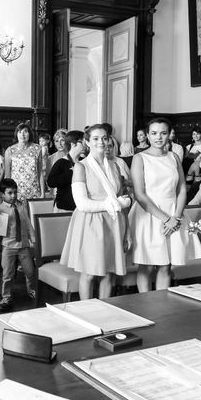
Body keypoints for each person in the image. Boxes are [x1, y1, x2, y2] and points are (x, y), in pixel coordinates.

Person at [129, 118, 201, 292]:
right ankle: (145, 303)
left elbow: (182, 189)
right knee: (147, 265)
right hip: (148, 213)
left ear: (169, 135)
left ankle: (162, 304)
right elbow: (139, 194)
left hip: (174, 211)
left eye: (163, 133)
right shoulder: (139, 158)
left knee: (166, 265)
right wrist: (166, 219)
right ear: (147, 135)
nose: (158, 137)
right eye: (154, 133)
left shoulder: (174, 157)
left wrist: (176, 217)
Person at [59, 124, 130, 300]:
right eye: (96, 138)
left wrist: (127, 230)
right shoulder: (81, 167)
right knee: (89, 273)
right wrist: (112, 204)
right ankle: (87, 311)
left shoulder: (114, 166)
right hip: (91, 223)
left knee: (109, 272)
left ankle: (104, 310)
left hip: (114, 222)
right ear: (87, 142)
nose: (101, 142)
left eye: (104, 138)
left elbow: (123, 198)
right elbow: (82, 204)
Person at [0, 178, 36, 312]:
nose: (13, 196)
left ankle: (32, 291)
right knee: (7, 275)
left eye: (15, 192)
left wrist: (33, 239)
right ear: (2, 194)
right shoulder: (1, 209)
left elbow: (27, 223)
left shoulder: (20, 206)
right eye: (10, 193)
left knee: (30, 271)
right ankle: (6, 298)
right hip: (8, 246)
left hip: (23, 245)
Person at [46, 130, 85, 212]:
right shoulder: (61, 162)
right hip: (64, 208)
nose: (85, 145)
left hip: (80, 208)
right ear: (73, 144)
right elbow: (50, 182)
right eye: (82, 142)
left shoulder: (84, 162)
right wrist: (70, 173)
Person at [4, 122, 44, 201]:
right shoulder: (10, 150)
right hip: (16, 193)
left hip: (34, 191)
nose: (22, 135)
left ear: (29, 134)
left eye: (25, 131)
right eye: (20, 132)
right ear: (16, 134)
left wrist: (42, 192)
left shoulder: (37, 149)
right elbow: (7, 175)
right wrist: (7, 194)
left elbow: (40, 173)